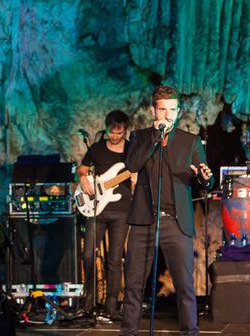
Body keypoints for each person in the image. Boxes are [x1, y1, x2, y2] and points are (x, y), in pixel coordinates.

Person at [121, 85, 212, 336]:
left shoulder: (190, 141)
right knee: (134, 286)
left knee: (184, 286)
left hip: (176, 222)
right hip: (144, 221)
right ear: (154, 110)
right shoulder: (140, 137)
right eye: (163, 109)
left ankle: (190, 333)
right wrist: (154, 138)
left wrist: (204, 177)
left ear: (179, 111)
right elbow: (131, 164)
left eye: (172, 110)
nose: (168, 115)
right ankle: (128, 332)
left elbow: (206, 178)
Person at [75, 110, 135, 321]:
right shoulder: (97, 148)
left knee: (115, 259)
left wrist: (136, 178)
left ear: (125, 130)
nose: (115, 136)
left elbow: (138, 177)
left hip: (122, 211)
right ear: (107, 129)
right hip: (96, 209)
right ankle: (88, 303)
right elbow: (81, 169)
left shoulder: (132, 150)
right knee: (88, 255)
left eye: (119, 132)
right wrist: (83, 178)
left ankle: (111, 307)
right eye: (112, 132)